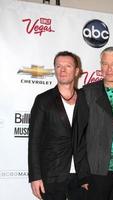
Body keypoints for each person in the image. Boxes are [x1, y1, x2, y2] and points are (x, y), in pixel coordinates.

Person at [28, 51, 89, 200]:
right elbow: (34, 141)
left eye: (68, 66)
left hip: (82, 177)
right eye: (58, 66)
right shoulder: (43, 100)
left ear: (76, 71)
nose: (62, 70)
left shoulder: (86, 99)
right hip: (52, 174)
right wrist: (35, 177)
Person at [77, 46, 113, 200]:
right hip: (97, 171)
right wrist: (83, 175)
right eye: (104, 64)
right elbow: (78, 136)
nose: (108, 69)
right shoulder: (88, 92)